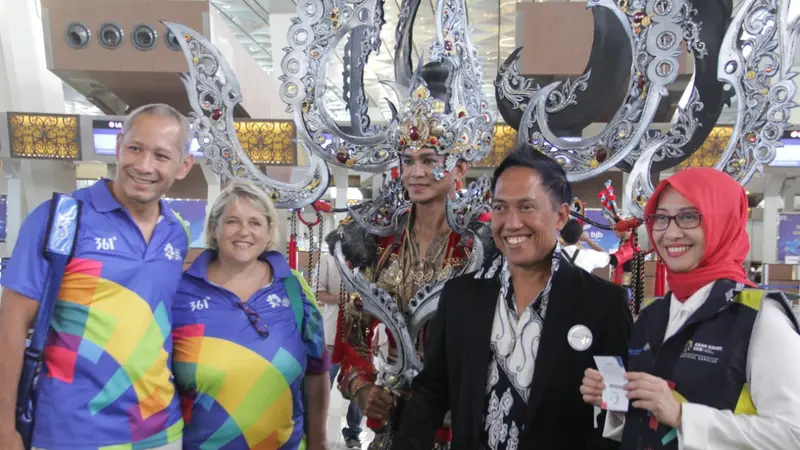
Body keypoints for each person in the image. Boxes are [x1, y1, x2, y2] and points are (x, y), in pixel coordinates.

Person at [392, 145, 632, 450]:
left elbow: (617, 412)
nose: (511, 222)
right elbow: (432, 392)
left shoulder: (602, 305)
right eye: (501, 208)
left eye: (527, 207)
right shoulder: (461, 296)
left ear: (560, 216)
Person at [0, 103, 194, 450]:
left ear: (183, 167)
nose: (145, 166)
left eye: (161, 156)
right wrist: (3, 428)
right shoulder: (60, 220)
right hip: (72, 433)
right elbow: (10, 328)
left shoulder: (175, 233)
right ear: (118, 147)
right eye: (135, 148)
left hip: (161, 433)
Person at [580, 167, 800, 449]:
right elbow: (652, 422)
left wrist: (682, 415)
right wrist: (619, 401)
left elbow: (792, 435)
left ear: (722, 221)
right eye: (660, 218)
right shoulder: (653, 314)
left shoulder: (759, 318)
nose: (671, 233)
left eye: (688, 216)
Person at [172, 179, 331, 450]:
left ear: (269, 231)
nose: (244, 231)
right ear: (214, 227)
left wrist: (319, 442)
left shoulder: (293, 289)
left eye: (255, 223)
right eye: (232, 221)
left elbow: (317, 372)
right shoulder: (180, 293)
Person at [316, 252, 363, 448]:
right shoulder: (328, 260)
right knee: (321, 387)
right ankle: (314, 430)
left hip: (360, 337)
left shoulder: (369, 259)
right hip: (332, 336)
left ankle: (353, 432)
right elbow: (319, 294)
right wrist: (347, 298)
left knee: (360, 386)